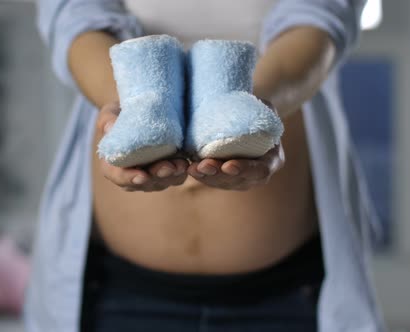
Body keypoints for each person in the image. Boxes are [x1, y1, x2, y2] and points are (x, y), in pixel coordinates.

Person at [25, 1, 386, 331]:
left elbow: (319, 24)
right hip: (117, 292)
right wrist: (128, 108)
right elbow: (73, 19)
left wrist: (253, 108)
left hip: (287, 294)